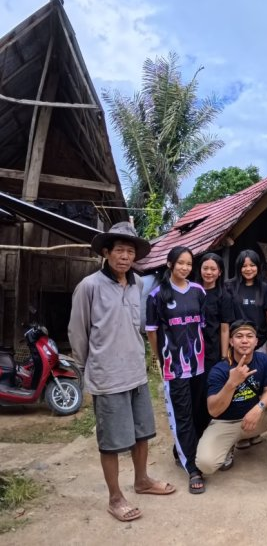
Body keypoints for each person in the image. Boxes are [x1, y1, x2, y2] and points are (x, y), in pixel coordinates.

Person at [69, 222, 175, 522]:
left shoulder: (138, 283)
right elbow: (77, 331)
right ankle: (115, 497)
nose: (125, 257)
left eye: (130, 252)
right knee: (112, 441)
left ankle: (142, 480)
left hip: (135, 372)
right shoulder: (89, 286)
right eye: (120, 251)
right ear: (106, 252)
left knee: (142, 433)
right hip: (108, 376)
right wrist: (86, 369)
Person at [195, 320, 267, 481]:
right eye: (239, 336)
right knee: (206, 464)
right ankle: (228, 446)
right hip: (225, 423)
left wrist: (258, 408)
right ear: (231, 341)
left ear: (256, 341)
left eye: (249, 336)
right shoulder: (220, 370)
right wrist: (231, 383)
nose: (245, 340)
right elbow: (213, 410)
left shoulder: (264, 360)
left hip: (254, 419)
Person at [146, 246, 208, 494]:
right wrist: (160, 359)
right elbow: (152, 332)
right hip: (174, 366)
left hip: (198, 364)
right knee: (182, 415)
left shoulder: (198, 291)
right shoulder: (157, 296)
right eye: (180, 263)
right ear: (170, 264)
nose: (185, 268)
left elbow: (202, 326)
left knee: (198, 413)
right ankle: (192, 468)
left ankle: (181, 450)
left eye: (189, 264)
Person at [196, 253, 234, 433]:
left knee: (209, 390)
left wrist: (224, 356)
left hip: (212, 351)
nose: (209, 272)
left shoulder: (223, 295)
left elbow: (225, 328)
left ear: (220, 272)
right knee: (194, 391)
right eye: (205, 268)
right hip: (191, 351)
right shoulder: (192, 291)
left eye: (213, 269)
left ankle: (209, 430)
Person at [226, 250, 267, 351]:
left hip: (260, 342)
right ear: (238, 268)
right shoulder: (229, 286)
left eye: (252, 265)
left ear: (258, 266)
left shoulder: (265, 288)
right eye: (244, 266)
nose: (248, 269)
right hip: (236, 342)